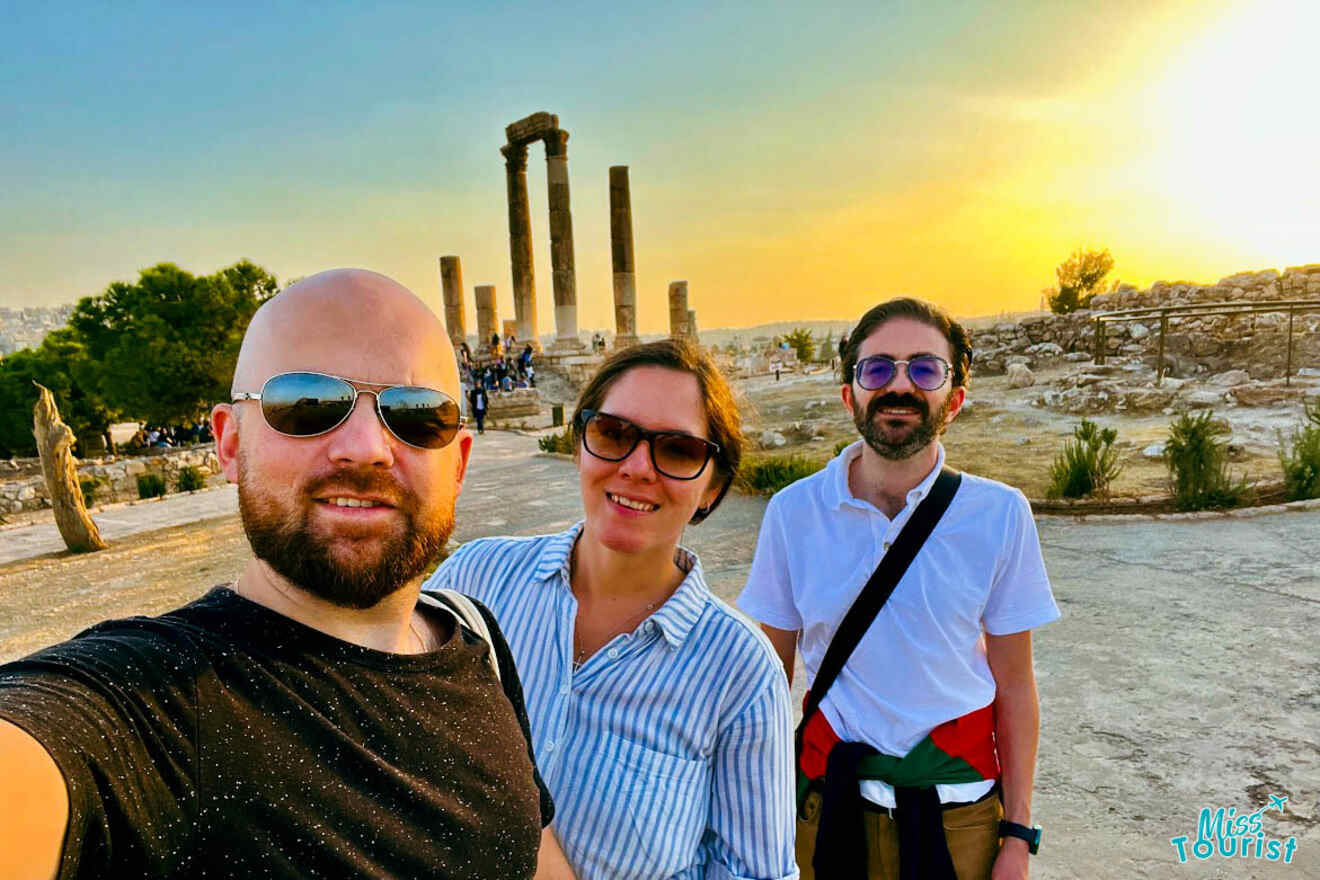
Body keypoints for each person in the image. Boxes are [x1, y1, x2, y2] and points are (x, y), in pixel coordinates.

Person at [0, 270, 572, 880]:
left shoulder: (473, 636)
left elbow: (530, 850)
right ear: (229, 443)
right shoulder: (151, 703)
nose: (367, 447)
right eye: (309, 403)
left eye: (418, 414)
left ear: (456, 465)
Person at [428, 339, 797, 880]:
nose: (637, 467)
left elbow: (755, 873)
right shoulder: (475, 579)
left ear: (713, 488)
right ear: (580, 444)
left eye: (678, 450)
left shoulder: (739, 670)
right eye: (613, 434)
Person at [738, 298, 1060, 880]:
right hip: (825, 810)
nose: (900, 385)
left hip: (960, 818)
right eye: (878, 369)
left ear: (954, 400)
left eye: (925, 369)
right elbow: (768, 683)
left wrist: (1016, 834)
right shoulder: (792, 513)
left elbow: (1015, 684)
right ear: (850, 395)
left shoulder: (999, 514)